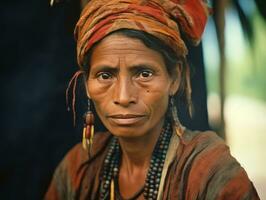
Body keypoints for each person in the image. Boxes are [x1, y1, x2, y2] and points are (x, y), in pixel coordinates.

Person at [45, 0, 260, 199]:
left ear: (174, 78)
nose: (123, 96)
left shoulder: (210, 173)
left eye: (144, 74)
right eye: (105, 76)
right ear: (87, 85)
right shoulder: (77, 169)